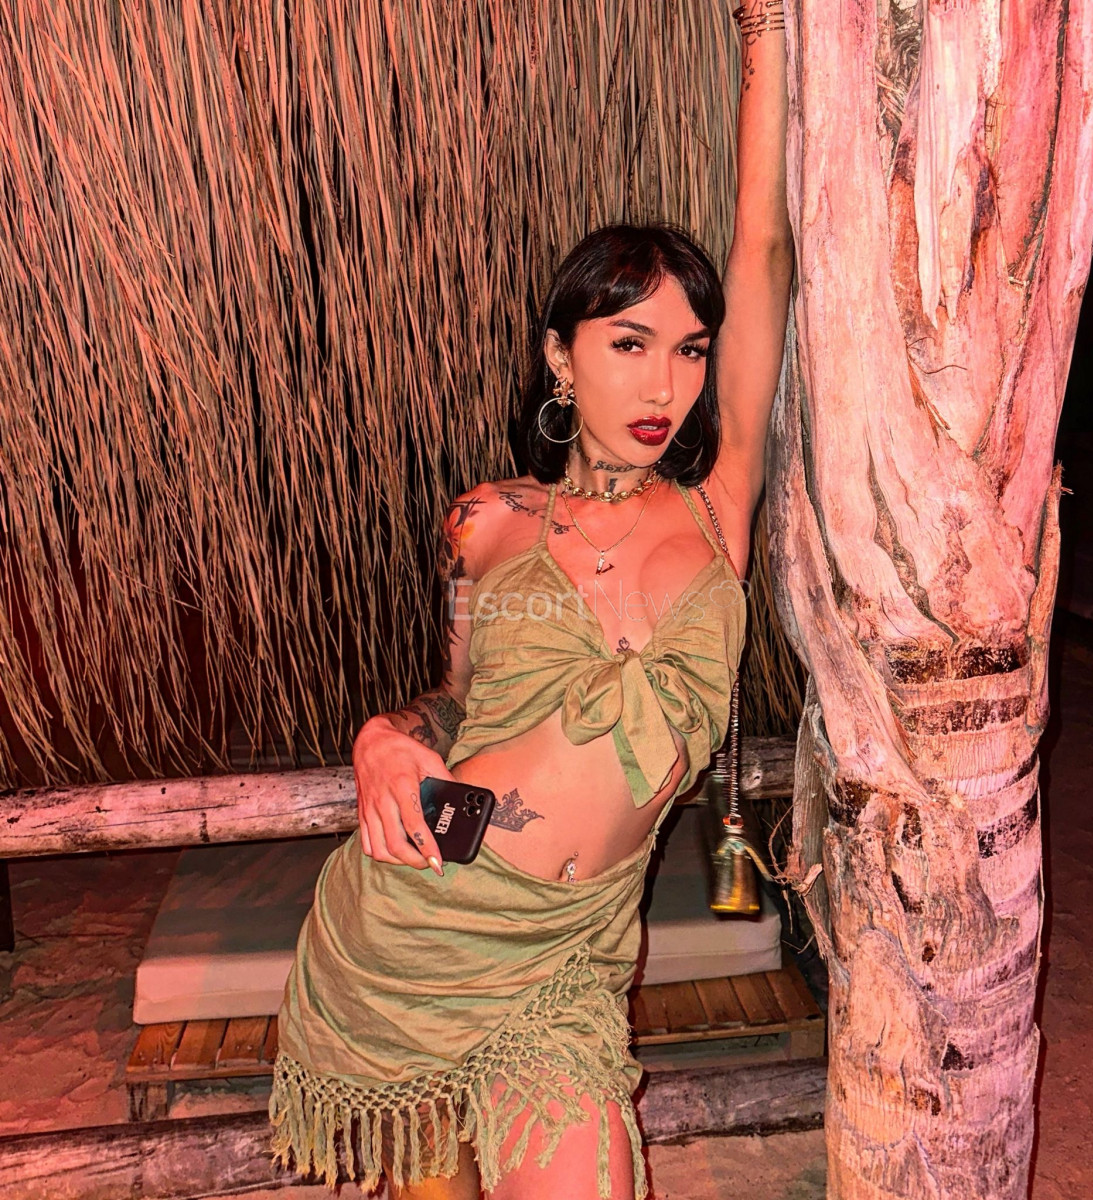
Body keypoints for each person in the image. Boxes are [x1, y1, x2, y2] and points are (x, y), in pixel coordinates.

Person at [269, 5, 791, 1197]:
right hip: (419, 924)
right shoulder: (486, 519)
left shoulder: (718, 507)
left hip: (569, 956)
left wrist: (765, 32)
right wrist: (381, 736)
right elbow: (456, 703)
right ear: (561, 355)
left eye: (691, 350)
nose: (667, 382)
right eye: (630, 342)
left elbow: (762, 249)